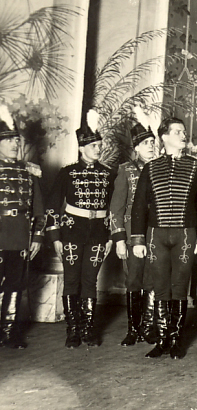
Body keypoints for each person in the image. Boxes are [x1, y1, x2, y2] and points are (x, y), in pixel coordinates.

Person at [130, 117, 197, 359]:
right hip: (156, 235)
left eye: (183, 132)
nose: (183, 135)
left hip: (185, 235)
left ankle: (176, 340)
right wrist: (138, 240)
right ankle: (162, 340)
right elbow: (139, 207)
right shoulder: (150, 168)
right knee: (160, 287)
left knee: (179, 287)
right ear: (164, 137)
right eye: (177, 132)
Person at [48, 109, 115, 348]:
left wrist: (111, 237)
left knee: (90, 280)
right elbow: (53, 206)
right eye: (94, 146)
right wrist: (55, 237)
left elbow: (114, 208)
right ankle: (73, 330)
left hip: (98, 233)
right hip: (71, 233)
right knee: (71, 280)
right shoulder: (67, 173)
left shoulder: (109, 174)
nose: (98, 149)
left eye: (100, 145)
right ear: (81, 148)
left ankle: (87, 329)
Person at [109, 107, 157, 347]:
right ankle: (133, 329)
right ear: (136, 148)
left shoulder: (160, 169)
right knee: (133, 280)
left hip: (156, 235)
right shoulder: (126, 171)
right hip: (131, 236)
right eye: (145, 143)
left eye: (152, 142)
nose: (150, 146)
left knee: (152, 280)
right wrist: (119, 239)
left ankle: (148, 327)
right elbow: (116, 208)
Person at [0, 105, 44, 349]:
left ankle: (10, 332)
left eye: (16, 140)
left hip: (19, 236)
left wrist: (37, 237)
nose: (14, 145)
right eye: (9, 140)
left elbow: (39, 209)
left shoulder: (29, 172)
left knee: (15, 285)